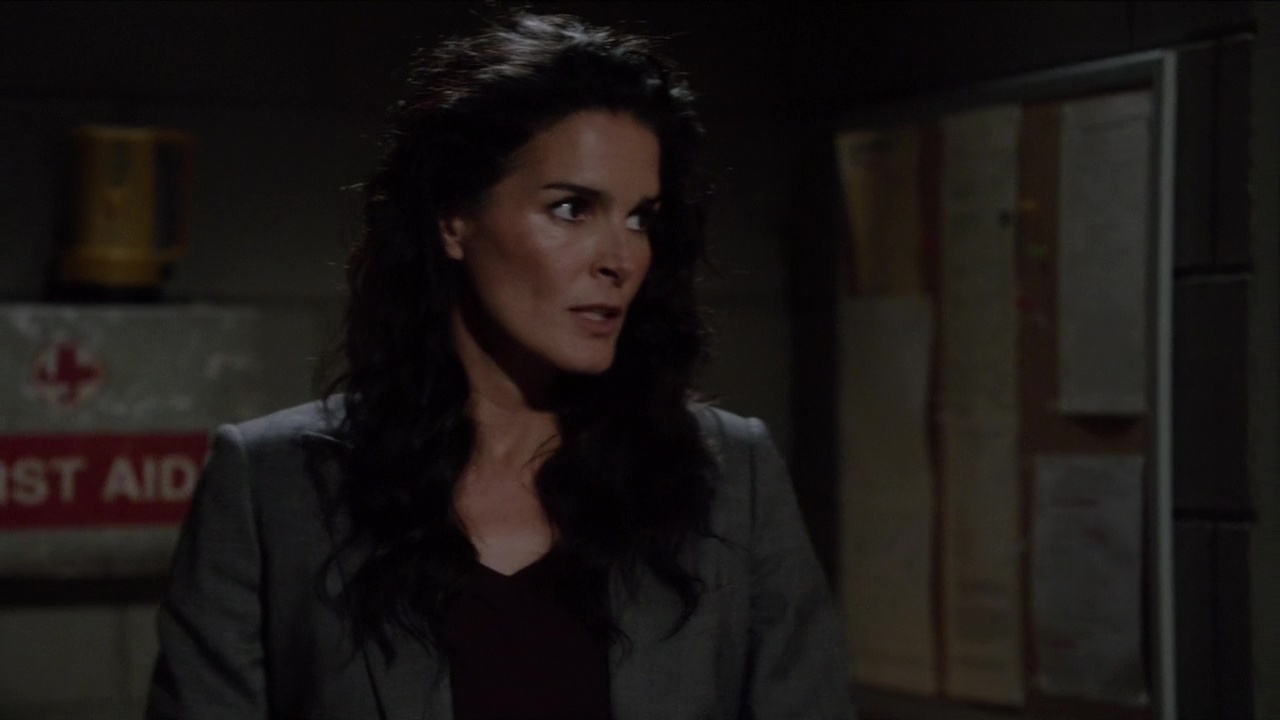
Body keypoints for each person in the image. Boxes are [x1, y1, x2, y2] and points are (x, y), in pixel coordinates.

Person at [147, 11, 855, 720]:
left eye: (641, 217)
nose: (620, 258)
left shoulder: (731, 478)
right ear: (455, 219)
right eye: (573, 208)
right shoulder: (273, 486)